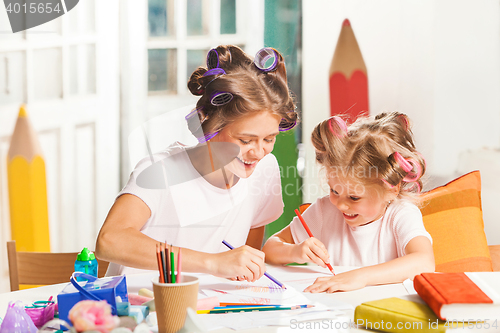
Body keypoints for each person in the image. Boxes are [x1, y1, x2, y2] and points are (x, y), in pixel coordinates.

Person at [96, 45, 297, 281]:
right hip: (139, 306)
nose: (258, 152)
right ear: (207, 126)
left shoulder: (264, 170)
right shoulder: (161, 171)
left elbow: (245, 257)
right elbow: (109, 240)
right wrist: (212, 262)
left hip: (209, 306)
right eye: (245, 140)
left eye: (269, 139)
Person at [262, 112, 435, 292]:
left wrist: (361, 276)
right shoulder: (324, 211)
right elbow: (270, 249)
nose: (341, 205)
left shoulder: (400, 214)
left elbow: (424, 262)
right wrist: (295, 251)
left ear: (392, 190)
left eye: (354, 197)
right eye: (334, 191)